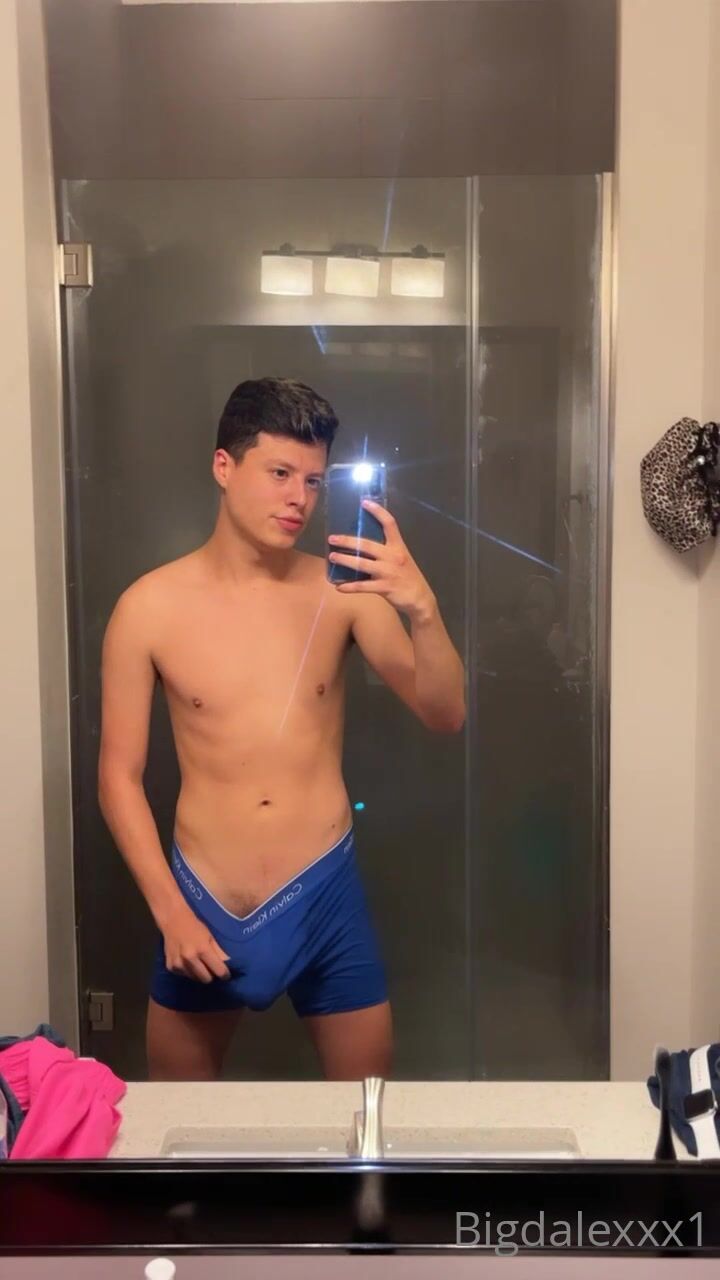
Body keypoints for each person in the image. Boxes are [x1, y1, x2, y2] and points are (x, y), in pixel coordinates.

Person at [98, 377, 466, 1082]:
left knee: (367, 1122)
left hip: (325, 894)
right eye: (279, 474)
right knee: (180, 1131)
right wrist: (171, 913)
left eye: (313, 480)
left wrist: (421, 607)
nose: (300, 497)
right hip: (202, 900)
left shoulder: (343, 591)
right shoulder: (148, 608)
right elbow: (118, 776)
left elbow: (445, 714)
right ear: (224, 466)